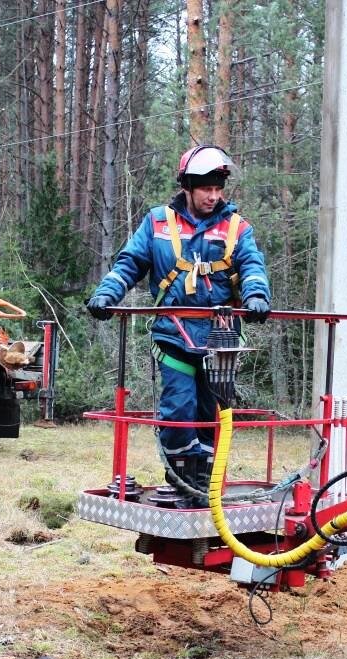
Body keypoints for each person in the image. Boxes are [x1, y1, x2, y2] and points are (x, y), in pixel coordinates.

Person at [86, 144, 271, 500]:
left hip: (221, 340)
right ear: (187, 186)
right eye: (206, 189)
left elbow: (252, 266)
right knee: (178, 411)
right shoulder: (157, 223)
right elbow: (130, 263)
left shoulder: (236, 228)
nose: (213, 197)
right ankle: (181, 480)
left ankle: (207, 485)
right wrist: (107, 294)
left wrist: (257, 297)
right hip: (174, 335)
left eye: (218, 190)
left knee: (214, 415)